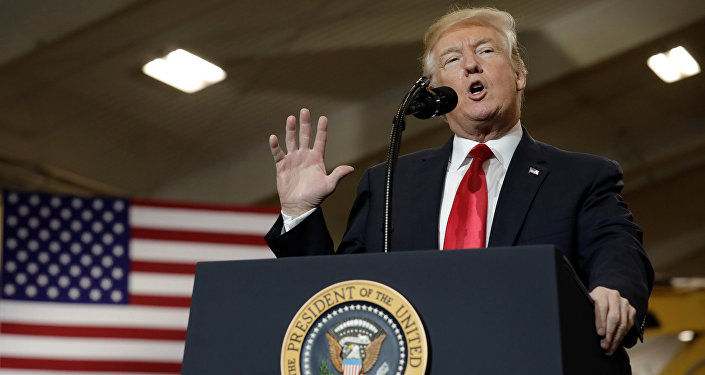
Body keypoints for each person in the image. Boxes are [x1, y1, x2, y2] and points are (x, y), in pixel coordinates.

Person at [265, 6, 653, 362]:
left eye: (486, 51)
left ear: (518, 75)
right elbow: (341, 295)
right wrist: (299, 213)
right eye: (453, 59)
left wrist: (613, 291)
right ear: (436, 95)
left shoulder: (581, 176)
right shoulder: (388, 184)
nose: (470, 65)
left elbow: (617, 247)